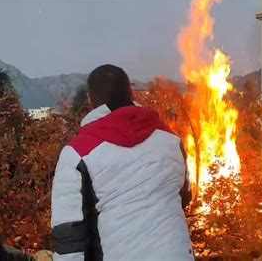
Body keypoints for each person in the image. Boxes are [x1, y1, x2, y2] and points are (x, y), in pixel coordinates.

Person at [51, 65, 193, 260]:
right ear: (131, 93)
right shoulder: (171, 140)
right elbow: (184, 197)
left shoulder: (77, 153)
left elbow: (69, 234)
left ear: (91, 100)